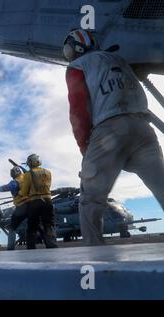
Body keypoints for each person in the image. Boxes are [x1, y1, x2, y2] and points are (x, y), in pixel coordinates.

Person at [63, 28, 164, 246]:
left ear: (76, 47)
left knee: (91, 198)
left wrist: (84, 147)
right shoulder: (119, 59)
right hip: (144, 129)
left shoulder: (77, 66)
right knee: (161, 185)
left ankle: (95, 256)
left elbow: (78, 109)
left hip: (109, 130)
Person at [0, 164, 29, 250]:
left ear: (13, 174)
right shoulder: (27, 177)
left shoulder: (15, 182)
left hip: (22, 206)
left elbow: (5, 188)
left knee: (12, 228)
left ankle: (10, 249)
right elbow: (29, 172)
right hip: (33, 205)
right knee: (36, 227)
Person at [18, 154, 58, 250]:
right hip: (48, 201)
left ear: (30, 162)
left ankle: (31, 248)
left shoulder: (28, 174)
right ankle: (52, 245)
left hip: (35, 201)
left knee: (32, 226)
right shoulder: (48, 172)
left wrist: (19, 193)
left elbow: (24, 191)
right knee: (49, 224)